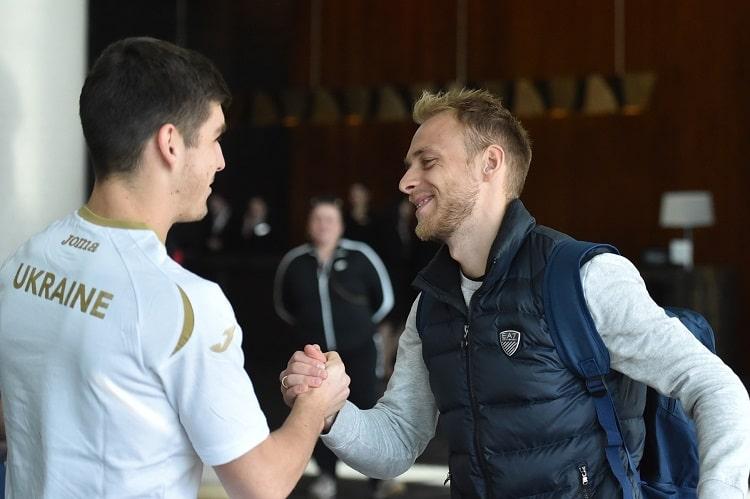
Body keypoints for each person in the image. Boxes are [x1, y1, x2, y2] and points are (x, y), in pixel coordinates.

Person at [280, 89, 750, 498]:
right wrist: (328, 410)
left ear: (490, 163)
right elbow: (399, 442)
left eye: (428, 161)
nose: (406, 182)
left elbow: (715, 387)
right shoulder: (431, 304)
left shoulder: (585, 278)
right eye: (409, 167)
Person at [0, 37, 350, 499]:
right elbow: (262, 484)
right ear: (170, 143)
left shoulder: (24, 261)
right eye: (215, 138)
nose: (220, 161)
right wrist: (316, 404)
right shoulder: (185, 305)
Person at [274, 197, 395, 499]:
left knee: (368, 409)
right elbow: (283, 306)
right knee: (317, 413)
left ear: (340, 225)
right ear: (308, 225)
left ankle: (377, 480)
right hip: (317, 358)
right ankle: (326, 475)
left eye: (330, 219)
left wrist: (360, 329)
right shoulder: (294, 262)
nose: (323, 225)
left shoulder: (361, 255)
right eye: (317, 219)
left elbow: (384, 300)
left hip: (359, 352)